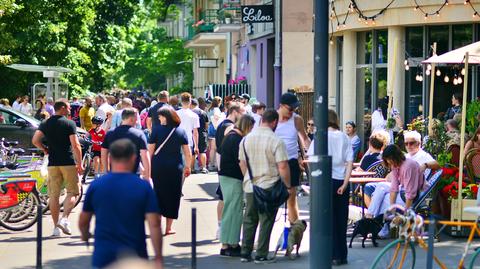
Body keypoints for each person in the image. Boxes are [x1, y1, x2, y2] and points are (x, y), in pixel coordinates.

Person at [79, 139, 163, 269]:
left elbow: (84, 220)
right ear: (134, 158)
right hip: (135, 257)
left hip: (103, 258)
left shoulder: (96, 186)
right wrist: (158, 256)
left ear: (110, 158)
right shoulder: (143, 187)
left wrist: (85, 235)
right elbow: (155, 224)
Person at [238, 109, 293, 263]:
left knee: (249, 219)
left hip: (250, 185)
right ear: (274, 122)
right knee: (266, 220)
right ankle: (261, 253)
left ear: (262, 120)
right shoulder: (276, 140)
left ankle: (245, 252)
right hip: (269, 185)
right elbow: (282, 166)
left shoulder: (246, 139)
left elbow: (242, 163)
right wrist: (288, 185)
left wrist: (248, 178)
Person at [32, 100, 83, 236]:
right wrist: (80, 163)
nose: (70, 110)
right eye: (68, 107)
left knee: (53, 196)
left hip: (53, 163)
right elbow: (76, 145)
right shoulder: (69, 123)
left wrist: (45, 149)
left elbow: (35, 140)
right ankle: (65, 219)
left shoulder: (45, 123)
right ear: (62, 108)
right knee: (72, 192)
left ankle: (56, 228)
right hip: (67, 162)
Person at [148, 107, 192, 235]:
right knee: (173, 196)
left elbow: (150, 151)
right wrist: (188, 166)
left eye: (160, 116)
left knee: (158, 194)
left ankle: (157, 227)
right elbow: (187, 152)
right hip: (175, 167)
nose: (159, 119)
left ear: (166, 117)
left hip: (158, 166)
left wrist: (147, 168)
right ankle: (168, 228)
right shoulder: (181, 131)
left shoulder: (156, 130)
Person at [219, 114, 255, 257]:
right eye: (251, 128)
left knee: (231, 210)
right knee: (233, 211)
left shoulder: (230, 136)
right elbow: (241, 162)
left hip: (227, 176)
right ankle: (229, 244)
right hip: (233, 178)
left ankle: (229, 243)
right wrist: (248, 179)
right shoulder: (237, 139)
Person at [275, 92, 311, 224]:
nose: (292, 112)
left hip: (291, 161)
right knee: (273, 198)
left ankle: (294, 227)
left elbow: (304, 138)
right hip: (275, 162)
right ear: (281, 106)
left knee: (291, 196)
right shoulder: (272, 119)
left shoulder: (297, 120)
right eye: (290, 109)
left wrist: (313, 153)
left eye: (294, 109)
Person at [326, 110, 354, 266]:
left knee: (329, 219)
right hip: (341, 180)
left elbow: (311, 158)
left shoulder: (321, 136)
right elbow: (350, 161)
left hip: (326, 181)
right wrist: (345, 182)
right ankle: (342, 254)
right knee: (342, 218)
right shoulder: (344, 136)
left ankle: (333, 253)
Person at [214, 103, 245, 238]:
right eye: (242, 112)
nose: (244, 115)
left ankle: (221, 227)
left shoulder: (222, 124)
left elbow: (217, 148)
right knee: (227, 201)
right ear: (235, 112)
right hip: (228, 170)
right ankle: (222, 229)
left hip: (223, 168)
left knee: (224, 198)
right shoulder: (229, 127)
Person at [101, 108, 150, 180]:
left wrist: (106, 170)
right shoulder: (139, 134)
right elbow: (145, 155)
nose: (136, 121)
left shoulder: (110, 133)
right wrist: (148, 176)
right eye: (136, 118)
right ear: (131, 119)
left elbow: (104, 153)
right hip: (133, 174)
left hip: (114, 173)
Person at [176, 93, 200, 162]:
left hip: (177, 140)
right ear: (190, 102)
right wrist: (196, 146)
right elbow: (195, 132)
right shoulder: (194, 116)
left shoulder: (176, 114)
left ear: (181, 102)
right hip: (189, 140)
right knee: (187, 163)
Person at [191, 99, 209, 174]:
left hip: (193, 133)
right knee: (202, 151)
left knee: (193, 152)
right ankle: (204, 167)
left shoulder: (191, 113)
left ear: (191, 104)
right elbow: (206, 124)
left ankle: (192, 168)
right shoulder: (203, 112)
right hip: (202, 133)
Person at [207, 96, 223, 171]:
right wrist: (222, 117)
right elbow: (216, 117)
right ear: (218, 102)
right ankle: (213, 164)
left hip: (210, 127)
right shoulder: (216, 109)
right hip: (215, 128)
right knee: (215, 148)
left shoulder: (210, 109)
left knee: (211, 148)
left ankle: (211, 163)